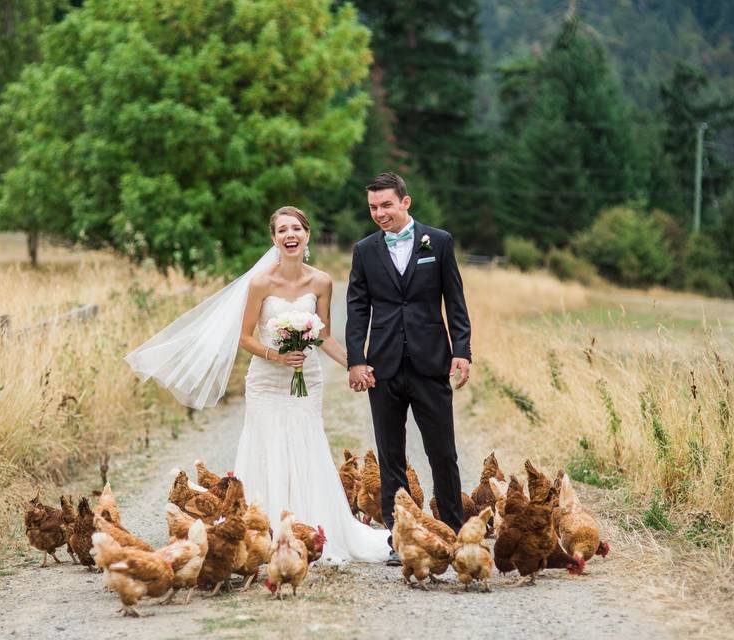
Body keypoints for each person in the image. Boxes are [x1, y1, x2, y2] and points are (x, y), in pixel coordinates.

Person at [125, 205, 389, 563]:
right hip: (267, 378)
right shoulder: (261, 283)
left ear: (307, 235)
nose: (290, 235)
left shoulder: (322, 281)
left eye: (296, 228)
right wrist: (277, 356)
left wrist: (355, 365)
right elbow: (245, 337)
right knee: (266, 444)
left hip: (306, 378)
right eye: (282, 230)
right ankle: (260, 532)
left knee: (306, 442)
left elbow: (324, 336)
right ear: (274, 238)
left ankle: (310, 528)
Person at [345, 172, 473, 566]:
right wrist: (356, 359)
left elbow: (454, 300)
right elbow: (357, 307)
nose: (379, 213)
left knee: (442, 453)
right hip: (382, 366)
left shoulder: (439, 241)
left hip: (431, 361)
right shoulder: (364, 250)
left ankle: (450, 531)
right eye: (373, 207)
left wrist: (462, 350)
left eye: (386, 205)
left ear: (405, 202)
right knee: (390, 456)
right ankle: (399, 537)